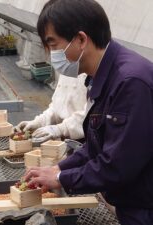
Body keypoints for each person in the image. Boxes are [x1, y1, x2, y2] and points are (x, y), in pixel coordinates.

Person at [24, 0, 153, 224]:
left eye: (53, 44)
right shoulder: (100, 78)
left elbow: (118, 165)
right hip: (133, 202)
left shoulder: (130, 82)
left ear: (81, 39)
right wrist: (59, 167)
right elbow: (98, 144)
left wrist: (60, 178)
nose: (52, 54)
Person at [15, 72, 87, 142]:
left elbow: (90, 113)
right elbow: (57, 105)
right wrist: (39, 122)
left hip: (86, 139)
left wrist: (61, 129)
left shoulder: (93, 77)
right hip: (65, 139)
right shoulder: (67, 72)